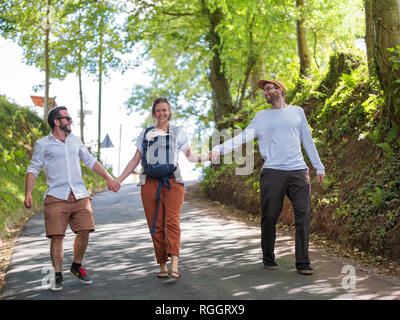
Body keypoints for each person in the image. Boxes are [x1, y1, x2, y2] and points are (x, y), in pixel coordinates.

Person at [211, 79, 325, 275]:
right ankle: (269, 257)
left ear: (280, 90)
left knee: (303, 215)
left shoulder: (297, 112)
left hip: (298, 170)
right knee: (270, 215)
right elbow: (242, 137)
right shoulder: (261, 117)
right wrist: (219, 150)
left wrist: (318, 166)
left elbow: (307, 139)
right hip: (273, 171)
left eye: (268, 89)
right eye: (263, 91)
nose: (265, 93)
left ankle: (303, 262)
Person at [24, 106, 120, 291]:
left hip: (80, 194)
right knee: (57, 236)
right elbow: (33, 168)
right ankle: (57, 274)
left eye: (69, 118)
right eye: (67, 118)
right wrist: (28, 193)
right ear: (56, 122)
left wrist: (109, 178)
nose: (70, 121)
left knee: (85, 230)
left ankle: (76, 266)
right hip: (56, 196)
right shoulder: (43, 144)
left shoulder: (76, 141)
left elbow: (91, 161)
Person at [116, 97, 212, 280]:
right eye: (158, 110)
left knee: (172, 222)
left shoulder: (179, 132)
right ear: (153, 114)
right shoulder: (145, 134)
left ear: (169, 112)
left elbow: (190, 157)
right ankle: (162, 264)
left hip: (173, 182)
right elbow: (136, 160)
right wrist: (119, 180)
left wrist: (206, 157)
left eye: (164, 110)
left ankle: (175, 262)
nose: (161, 113)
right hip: (149, 183)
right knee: (156, 226)